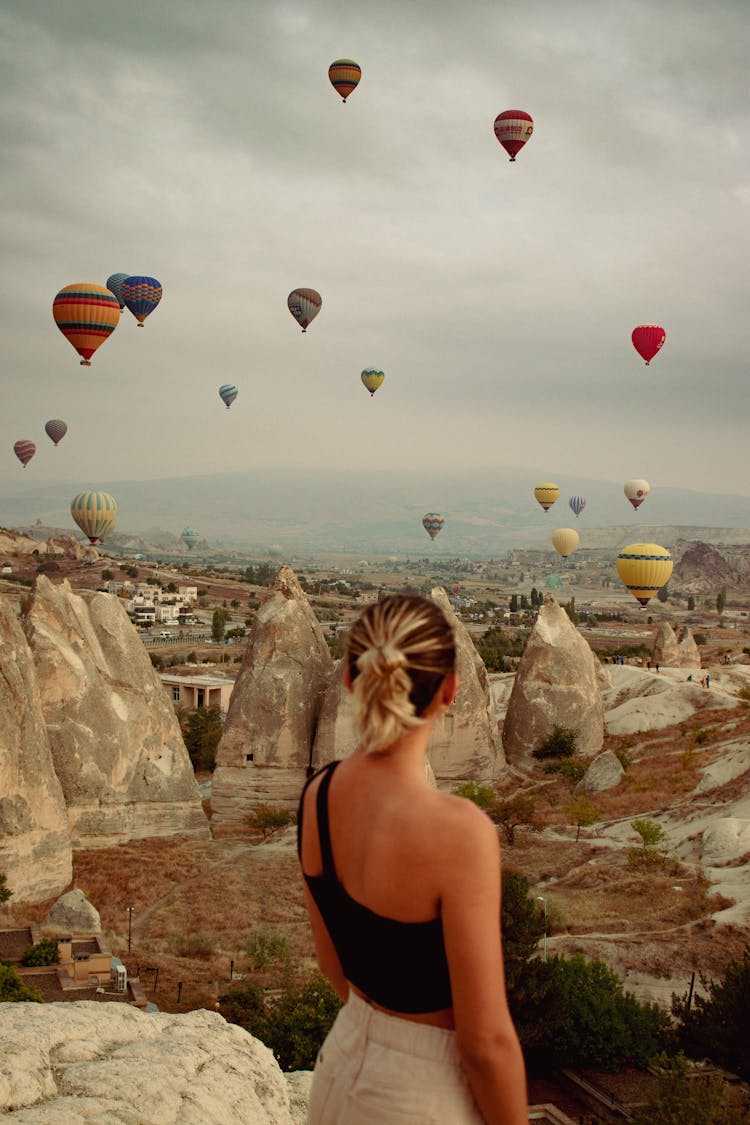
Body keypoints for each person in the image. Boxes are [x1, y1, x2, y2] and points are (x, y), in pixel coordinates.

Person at [297, 594, 527, 1123]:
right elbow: (485, 1042)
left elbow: (335, 968)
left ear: (351, 680)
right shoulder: (459, 832)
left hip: (339, 1066)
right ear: (450, 689)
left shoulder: (318, 796)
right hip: (424, 1094)